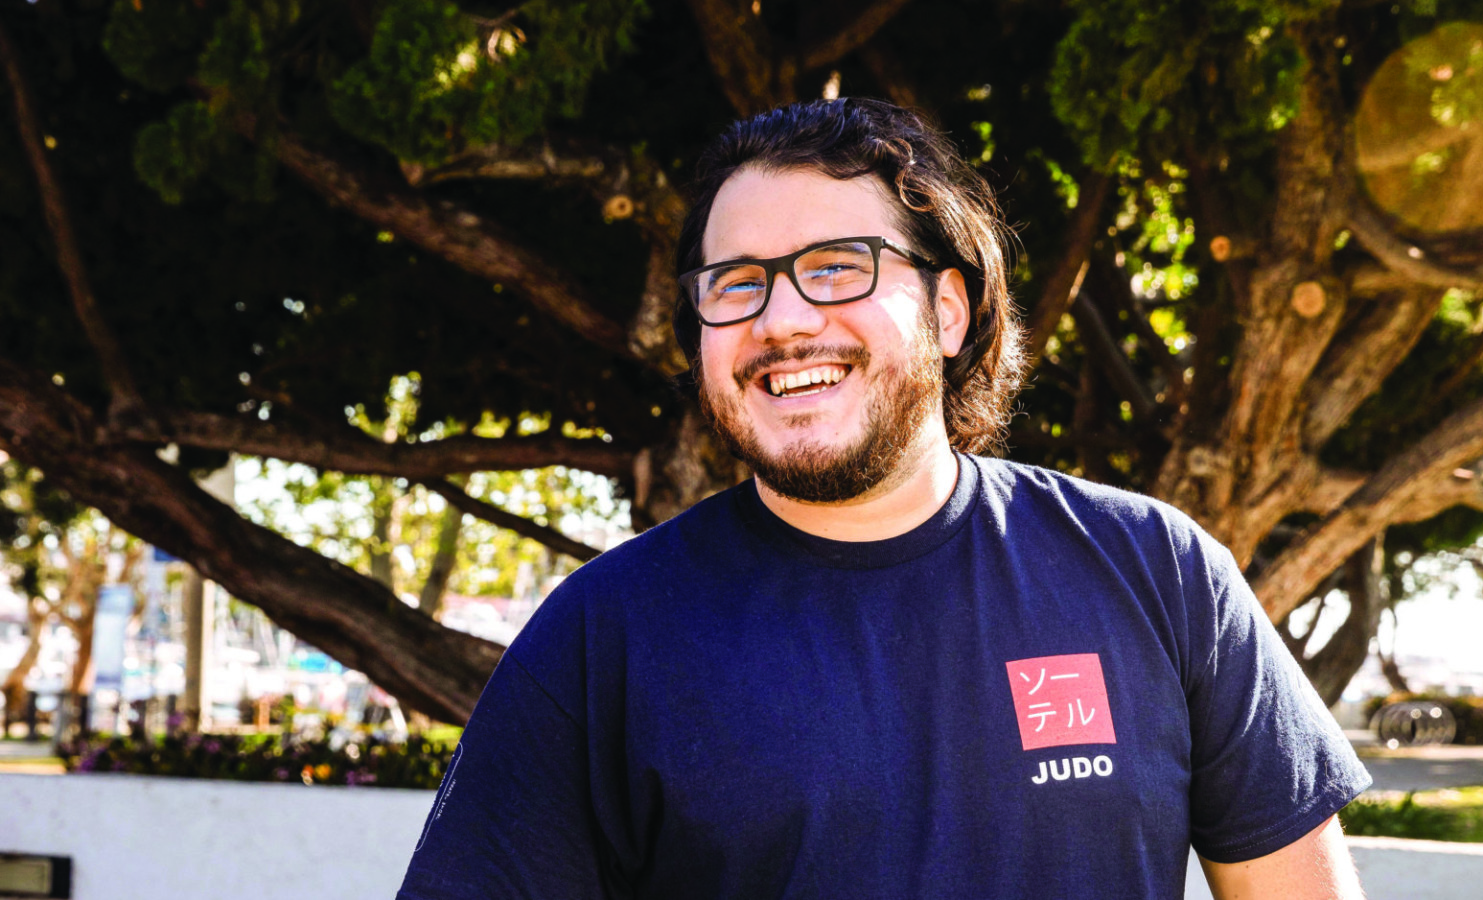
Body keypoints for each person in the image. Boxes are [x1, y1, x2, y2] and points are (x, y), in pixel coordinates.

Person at [397, 98, 1371, 900]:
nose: (782, 319)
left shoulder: (1155, 572)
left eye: (835, 268)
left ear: (949, 310)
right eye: (735, 284)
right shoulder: (602, 637)